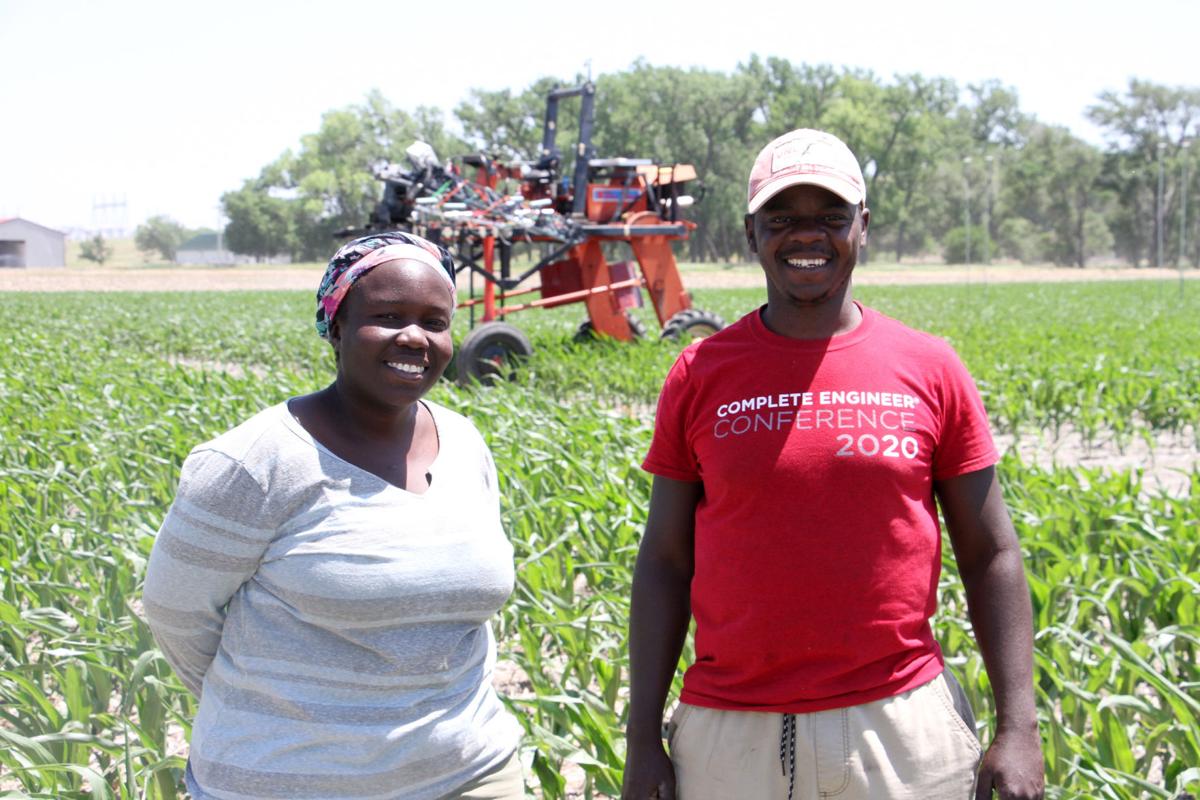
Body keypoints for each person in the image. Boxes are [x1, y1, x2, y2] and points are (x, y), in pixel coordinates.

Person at [621, 129, 1044, 800]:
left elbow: (992, 552)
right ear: (750, 233)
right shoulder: (700, 372)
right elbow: (665, 560)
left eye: (831, 217)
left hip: (900, 727)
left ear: (864, 226)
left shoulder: (930, 366)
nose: (806, 236)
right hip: (731, 735)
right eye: (783, 218)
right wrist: (642, 738)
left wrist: (1019, 727)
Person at [143, 232, 524, 800]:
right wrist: (276, 711)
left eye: (435, 321)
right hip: (290, 782)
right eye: (389, 316)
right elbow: (176, 614)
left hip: (469, 772)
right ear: (337, 326)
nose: (415, 337)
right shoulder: (259, 462)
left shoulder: (464, 443)